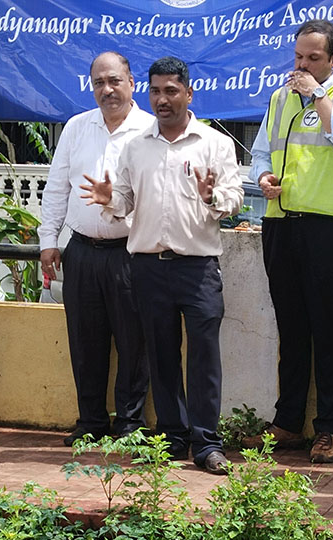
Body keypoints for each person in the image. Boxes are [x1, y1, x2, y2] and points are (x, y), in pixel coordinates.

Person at [81, 57, 243, 475]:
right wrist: (109, 199)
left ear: (189, 94)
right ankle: (172, 436)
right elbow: (126, 203)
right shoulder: (137, 147)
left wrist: (210, 197)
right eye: (155, 91)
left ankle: (207, 444)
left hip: (199, 268)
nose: (162, 99)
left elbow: (233, 200)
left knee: (204, 357)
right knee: (161, 356)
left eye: (171, 91)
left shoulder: (214, 144)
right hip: (149, 268)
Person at [246, 19, 333, 464]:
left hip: (325, 226)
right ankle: (288, 422)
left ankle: (332, 427)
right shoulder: (280, 97)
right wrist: (261, 177)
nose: (301, 65)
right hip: (280, 222)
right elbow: (260, 152)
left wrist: (318, 96)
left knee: (326, 326)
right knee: (291, 325)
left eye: (313, 58)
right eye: (298, 57)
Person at [38, 51, 153, 447]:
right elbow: (56, 189)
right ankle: (90, 421)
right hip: (81, 251)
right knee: (85, 342)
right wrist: (48, 242)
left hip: (132, 254)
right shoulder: (76, 128)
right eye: (99, 83)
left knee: (134, 342)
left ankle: (130, 424)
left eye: (114, 81)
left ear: (131, 83)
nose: (107, 90)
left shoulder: (150, 130)